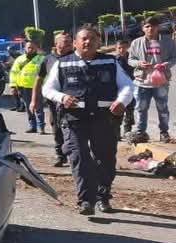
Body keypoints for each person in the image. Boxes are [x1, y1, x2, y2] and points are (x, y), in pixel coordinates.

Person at [42, 25, 134, 215]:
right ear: (75, 42)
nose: (87, 42)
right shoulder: (63, 63)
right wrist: (62, 98)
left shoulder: (110, 62)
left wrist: (121, 101)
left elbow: (128, 86)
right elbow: (47, 89)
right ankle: (85, 201)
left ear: (99, 42)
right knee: (79, 158)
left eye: (92, 38)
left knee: (105, 159)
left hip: (104, 118)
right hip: (74, 119)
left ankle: (103, 197)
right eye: (83, 38)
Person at [128, 16, 175, 143]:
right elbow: (130, 59)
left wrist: (165, 65)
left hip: (161, 82)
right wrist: (139, 64)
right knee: (140, 109)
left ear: (158, 27)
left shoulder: (168, 41)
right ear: (143, 28)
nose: (150, 29)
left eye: (153, 26)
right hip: (142, 82)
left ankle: (164, 133)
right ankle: (140, 133)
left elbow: (173, 58)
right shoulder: (136, 42)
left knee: (163, 108)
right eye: (147, 26)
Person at [32, 31, 73, 166]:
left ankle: (73, 153)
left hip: (72, 100)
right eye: (65, 41)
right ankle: (60, 155)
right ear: (56, 44)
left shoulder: (75, 58)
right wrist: (33, 100)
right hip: (53, 101)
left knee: (73, 128)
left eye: (69, 41)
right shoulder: (48, 59)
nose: (68, 43)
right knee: (56, 127)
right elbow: (38, 81)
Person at [10, 40, 46, 132]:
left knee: (39, 107)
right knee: (28, 108)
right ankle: (32, 126)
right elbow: (14, 73)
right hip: (23, 88)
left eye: (33, 47)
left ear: (36, 48)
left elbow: (47, 74)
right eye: (29, 47)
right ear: (25, 49)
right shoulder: (20, 59)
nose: (31, 49)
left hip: (37, 87)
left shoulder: (41, 59)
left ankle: (41, 127)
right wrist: (13, 86)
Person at [114, 38, 137, 140]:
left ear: (127, 47)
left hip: (132, 87)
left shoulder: (132, 59)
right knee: (118, 111)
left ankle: (128, 131)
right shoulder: (114, 61)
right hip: (119, 89)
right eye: (119, 48)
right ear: (116, 48)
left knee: (130, 110)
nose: (121, 50)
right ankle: (117, 133)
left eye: (123, 47)